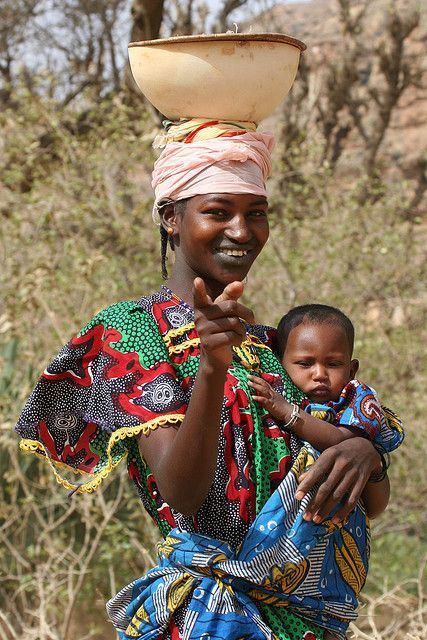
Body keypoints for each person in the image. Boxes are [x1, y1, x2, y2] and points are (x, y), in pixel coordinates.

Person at [14, 119, 401, 640]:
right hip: (211, 618)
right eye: (218, 212)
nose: (242, 231)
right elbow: (183, 493)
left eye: (256, 214)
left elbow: (355, 484)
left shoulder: (276, 346)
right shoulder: (130, 332)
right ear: (172, 218)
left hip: (309, 619)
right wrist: (212, 371)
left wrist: (365, 455)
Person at [247, 303, 404, 525]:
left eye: (333, 364)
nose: (320, 374)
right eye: (304, 363)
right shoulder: (272, 395)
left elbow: (340, 440)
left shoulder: (357, 400)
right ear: (279, 362)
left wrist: (289, 413)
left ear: (351, 370)